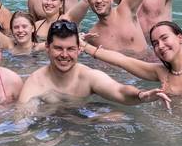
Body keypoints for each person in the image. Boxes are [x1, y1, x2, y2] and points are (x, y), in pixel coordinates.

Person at [17, 20, 170, 111]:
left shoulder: (88, 76)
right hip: (52, 124)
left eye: (70, 49)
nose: (64, 55)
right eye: (58, 48)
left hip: (83, 120)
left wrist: (141, 95)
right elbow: (21, 118)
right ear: (47, 48)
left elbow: (119, 91)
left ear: (79, 49)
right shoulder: (36, 81)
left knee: (115, 117)